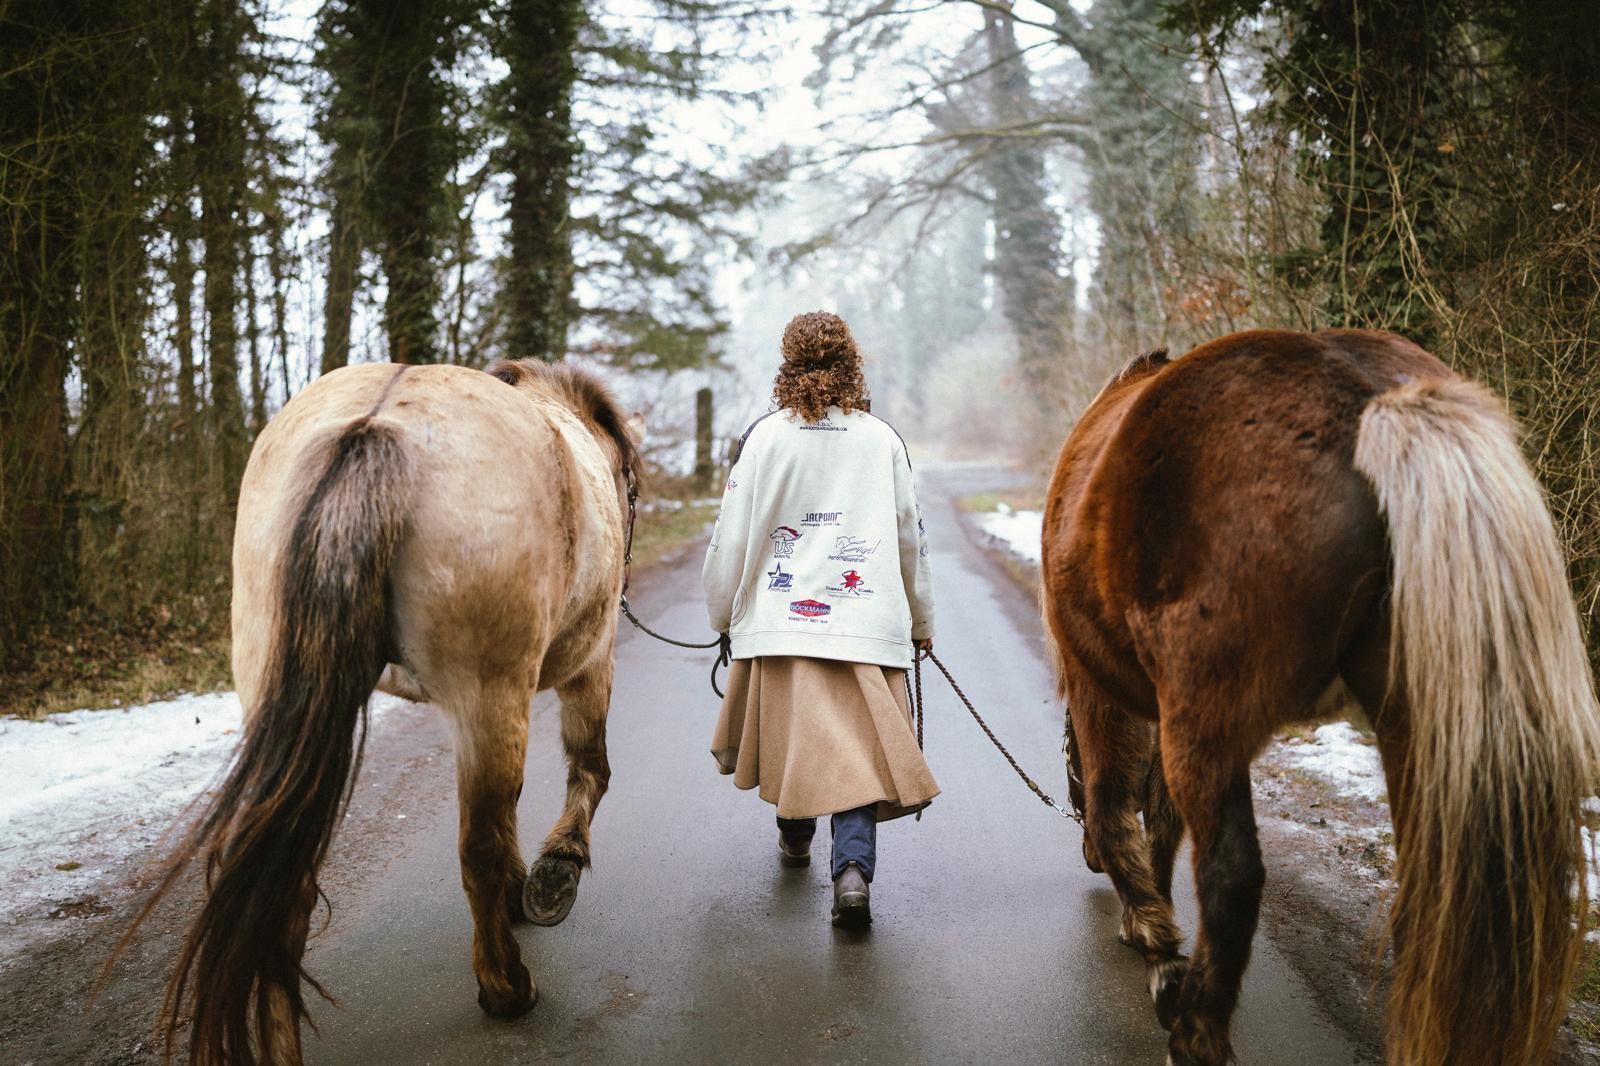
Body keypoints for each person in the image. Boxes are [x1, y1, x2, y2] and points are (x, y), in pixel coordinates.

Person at [703, 310, 939, 928]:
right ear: (850, 364)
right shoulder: (881, 439)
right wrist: (919, 619)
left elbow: (729, 539)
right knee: (855, 755)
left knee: (797, 740)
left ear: (788, 364)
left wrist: (722, 613)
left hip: (781, 625)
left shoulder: (764, 440)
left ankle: (796, 837)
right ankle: (853, 874)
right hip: (863, 627)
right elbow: (910, 538)